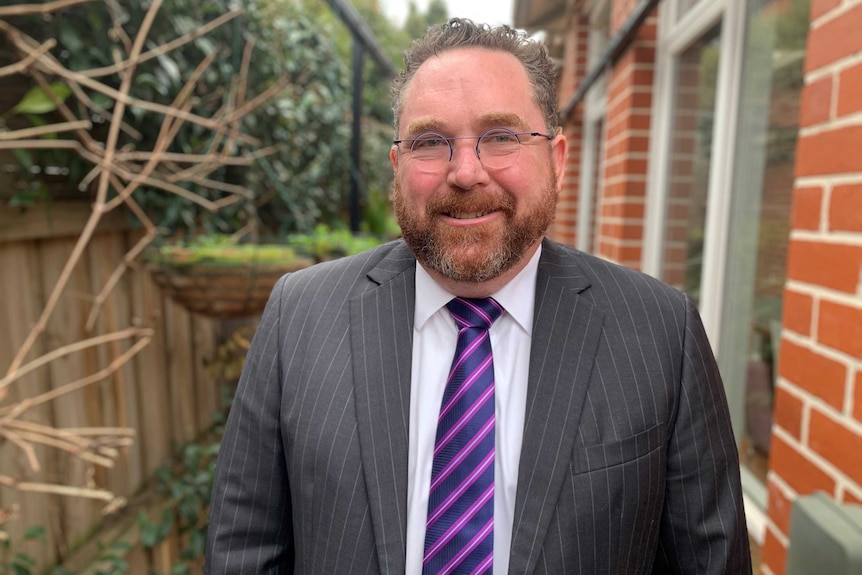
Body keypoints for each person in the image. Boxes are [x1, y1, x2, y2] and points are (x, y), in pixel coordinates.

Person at [205, 18, 752, 575]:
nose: (466, 172)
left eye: (501, 137)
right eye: (429, 142)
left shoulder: (661, 332)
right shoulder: (299, 316)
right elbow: (243, 551)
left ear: (557, 161)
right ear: (398, 169)